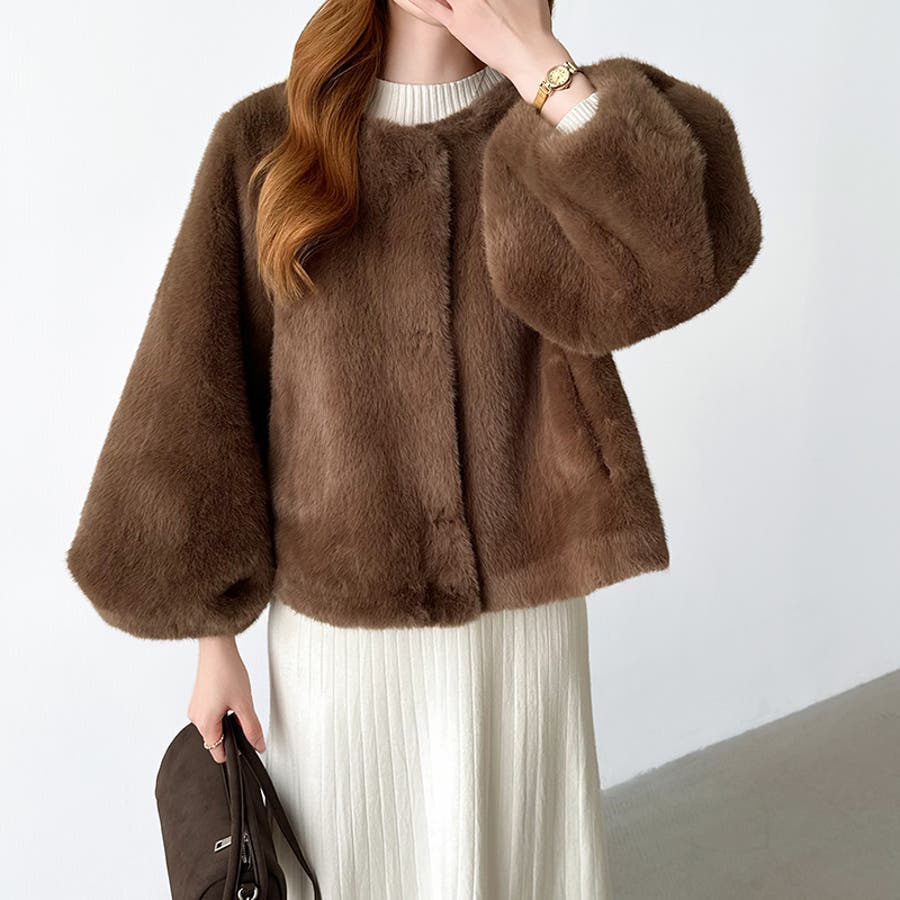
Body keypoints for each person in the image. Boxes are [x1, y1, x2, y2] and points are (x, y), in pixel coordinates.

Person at [66, 0, 762, 896]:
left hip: (523, 626)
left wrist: (532, 56)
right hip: (342, 639)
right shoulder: (267, 142)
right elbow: (198, 392)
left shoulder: (551, 122)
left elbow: (685, 258)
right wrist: (214, 641)